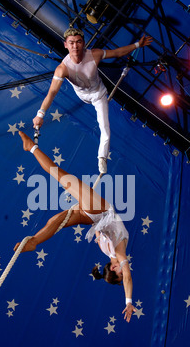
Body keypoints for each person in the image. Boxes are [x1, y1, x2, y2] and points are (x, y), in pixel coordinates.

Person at [14, 131, 136, 322]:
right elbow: (100, 232)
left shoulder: (119, 254)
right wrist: (98, 231)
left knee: (58, 174)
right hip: (93, 216)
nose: (124, 270)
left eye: (119, 274)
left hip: (98, 211)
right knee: (57, 220)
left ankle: (31, 147)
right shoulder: (109, 252)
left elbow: (128, 277)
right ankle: (35, 241)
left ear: (114, 269)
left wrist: (128, 301)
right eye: (123, 273)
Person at [33, 28, 153, 174]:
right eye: (71, 43)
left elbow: (117, 52)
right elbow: (51, 93)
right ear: (66, 45)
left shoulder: (94, 54)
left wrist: (137, 45)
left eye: (78, 42)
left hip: (99, 94)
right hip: (82, 95)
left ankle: (101, 158)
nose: (75, 46)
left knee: (105, 129)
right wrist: (40, 114)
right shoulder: (62, 68)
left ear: (83, 43)